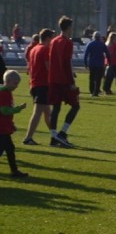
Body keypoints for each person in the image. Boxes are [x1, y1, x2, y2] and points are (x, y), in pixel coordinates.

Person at [48, 16, 80, 148]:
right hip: (64, 80)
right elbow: (66, 62)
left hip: (53, 79)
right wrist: (71, 81)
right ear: (68, 27)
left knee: (56, 108)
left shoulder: (54, 41)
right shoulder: (67, 42)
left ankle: (53, 136)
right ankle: (62, 133)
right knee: (75, 106)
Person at [22, 29, 54, 146]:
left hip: (34, 83)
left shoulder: (34, 49)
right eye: (52, 38)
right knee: (38, 112)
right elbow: (48, 67)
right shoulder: (45, 49)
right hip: (42, 84)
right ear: (47, 38)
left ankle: (54, 136)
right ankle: (28, 137)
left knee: (47, 113)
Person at [0, 70, 28, 177]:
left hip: (4, 127)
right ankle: (14, 171)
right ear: (7, 81)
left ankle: (14, 171)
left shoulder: (6, 92)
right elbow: (4, 111)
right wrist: (18, 109)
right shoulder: (3, 93)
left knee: (8, 148)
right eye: (15, 83)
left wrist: (11, 124)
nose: (16, 86)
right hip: (1, 128)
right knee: (9, 148)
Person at [83, 32, 107, 97]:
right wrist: (109, 62)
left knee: (92, 78)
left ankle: (91, 91)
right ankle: (96, 92)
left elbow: (86, 54)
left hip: (92, 64)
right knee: (98, 79)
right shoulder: (102, 44)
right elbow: (107, 53)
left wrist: (85, 63)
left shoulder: (90, 44)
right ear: (99, 37)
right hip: (100, 64)